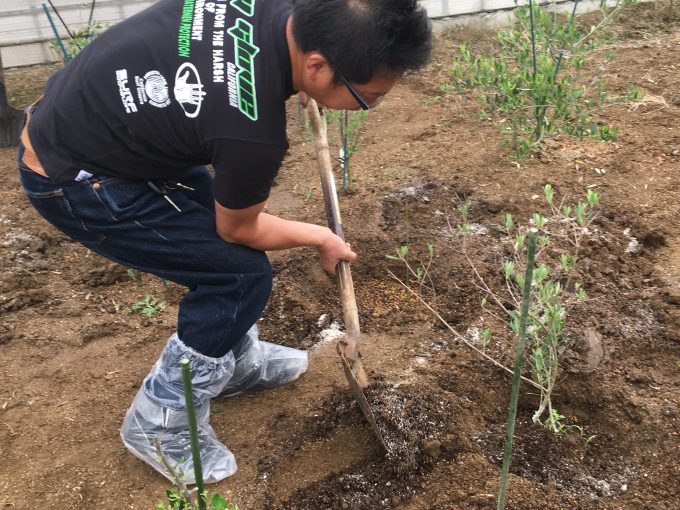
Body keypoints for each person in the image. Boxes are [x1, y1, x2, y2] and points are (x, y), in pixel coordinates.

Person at [18, 0, 431, 484]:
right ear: (317, 65)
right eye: (368, 99)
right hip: (76, 179)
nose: (372, 107)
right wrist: (320, 235)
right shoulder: (251, 131)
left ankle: (233, 363)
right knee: (237, 273)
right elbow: (239, 229)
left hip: (98, 124)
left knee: (229, 254)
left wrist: (304, 82)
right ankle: (159, 421)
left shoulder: (277, 13)